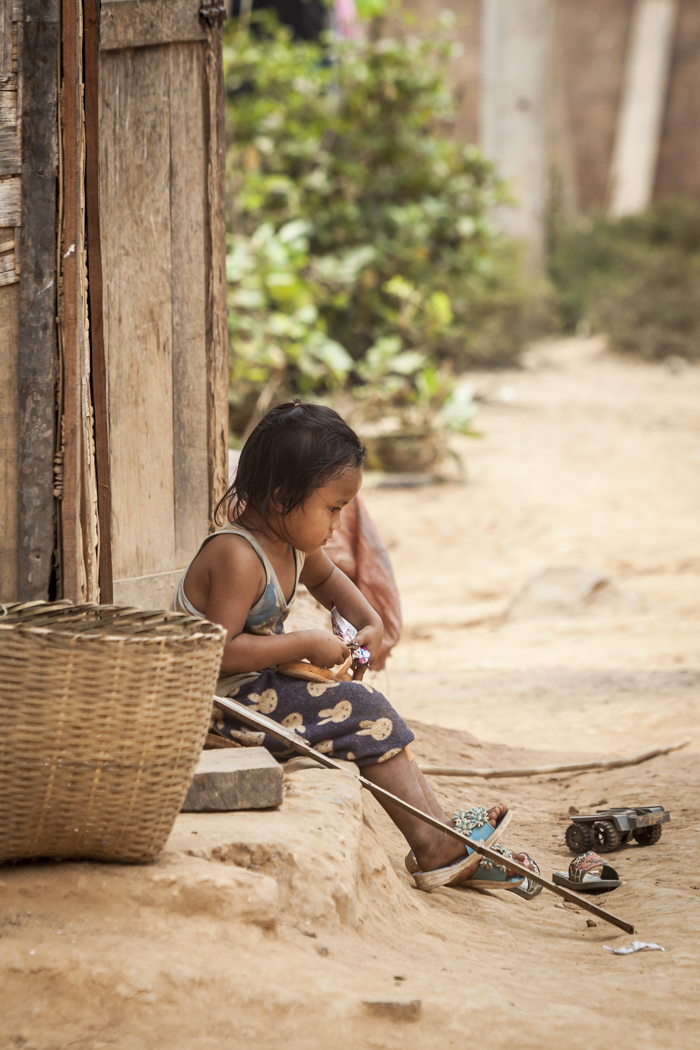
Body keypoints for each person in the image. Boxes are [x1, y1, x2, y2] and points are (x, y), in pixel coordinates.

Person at [173, 401, 538, 894]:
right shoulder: (237, 555)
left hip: (251, 692)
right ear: (282, 498)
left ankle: (442, 834)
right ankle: (435, 845)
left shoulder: (297, 548)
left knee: (368, 711)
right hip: (213, 705)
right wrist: (301, 642)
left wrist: (370, 624)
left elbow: (338, 588)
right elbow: (214, 654)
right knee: (366, 711)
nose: (339, 524)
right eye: (333, 508)